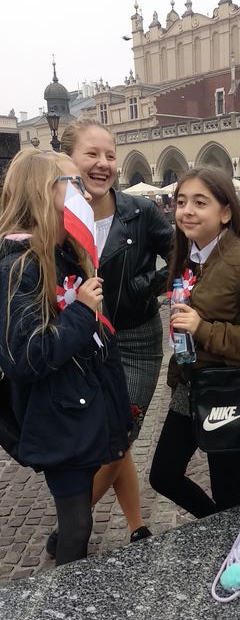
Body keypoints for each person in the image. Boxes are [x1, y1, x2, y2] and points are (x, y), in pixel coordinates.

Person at [0, 149, 132, 566]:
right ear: (43, 191)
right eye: (73, 183)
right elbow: (25, 355)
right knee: (76, 525)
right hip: (59, 417)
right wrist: (81, 311)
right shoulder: (20, 266)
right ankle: (68, 597)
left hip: (79, 410)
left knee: (79, 520)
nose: (85, 193)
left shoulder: (63, 253)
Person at [53, 119, 173, 552]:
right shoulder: (58, 216)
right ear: (68, 159)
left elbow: (182, 254)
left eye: (110, 155)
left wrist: (144, 286)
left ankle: (74, 521)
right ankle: (137, 524)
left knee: (122, 433)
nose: (103, 163)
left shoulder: (140, 212)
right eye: (92, 154)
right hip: (86, 344)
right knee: (111, 435)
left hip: (136, 338)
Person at [150, 167, 240, 517]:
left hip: (227, 389)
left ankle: (234, 544)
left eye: (200, 202)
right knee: (164, 475)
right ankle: (222, 534)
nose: (187, 211)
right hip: (189, 384)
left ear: (225, 212)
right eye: (182, 202)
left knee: (225, 488)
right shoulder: (189, 256)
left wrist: (203, 328)